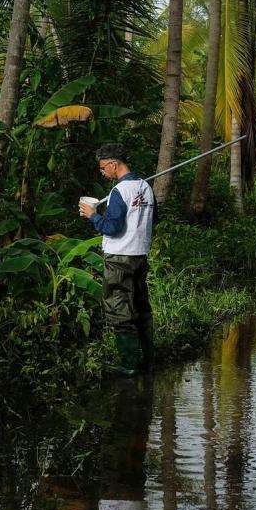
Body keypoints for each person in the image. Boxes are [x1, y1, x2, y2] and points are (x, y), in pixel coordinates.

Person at [79, 143, 156, 376]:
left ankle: (128, 365)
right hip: (139, 256)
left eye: (103, 168)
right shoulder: (146, 187)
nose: (103, 172)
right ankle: (148, 360)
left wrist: (92, 216)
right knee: (141, 309)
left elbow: (111, 227)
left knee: (119, 310)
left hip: (119, 259)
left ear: (114, 164)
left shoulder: (119, 192)